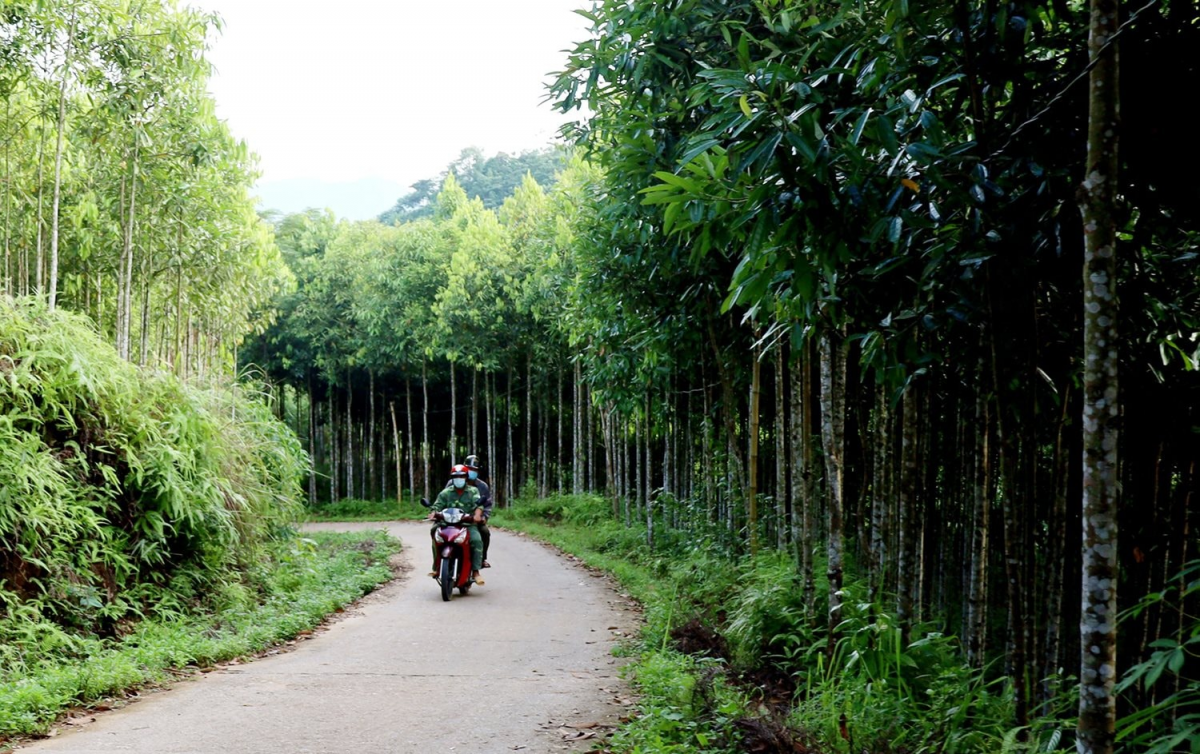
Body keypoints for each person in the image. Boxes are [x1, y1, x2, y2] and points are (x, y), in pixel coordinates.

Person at [428, 464, 485, 585]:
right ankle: (436, 567)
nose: (459, 479)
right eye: (456, 476)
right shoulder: (446, 492)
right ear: (452, 478)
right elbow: (437, 505)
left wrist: (477, 515)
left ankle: (476, 571)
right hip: (447, 524)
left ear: (466, 477)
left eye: (461, 476)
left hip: (467, 524)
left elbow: (479, 504)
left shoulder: (473, 491)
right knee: (434, 533)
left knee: (476, 540)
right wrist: (433, 513)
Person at [463, 454, 493, 567]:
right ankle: (439, 562)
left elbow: (487, 505)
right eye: (469, 469)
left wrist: (484, 517)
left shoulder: (482, 487)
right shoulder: (454, 483)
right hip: (454, 519)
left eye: (474, 469)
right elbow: (443, 500)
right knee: (437, 531)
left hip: (474, 520)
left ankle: (481, 558)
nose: (471, 471)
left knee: (484, 532)